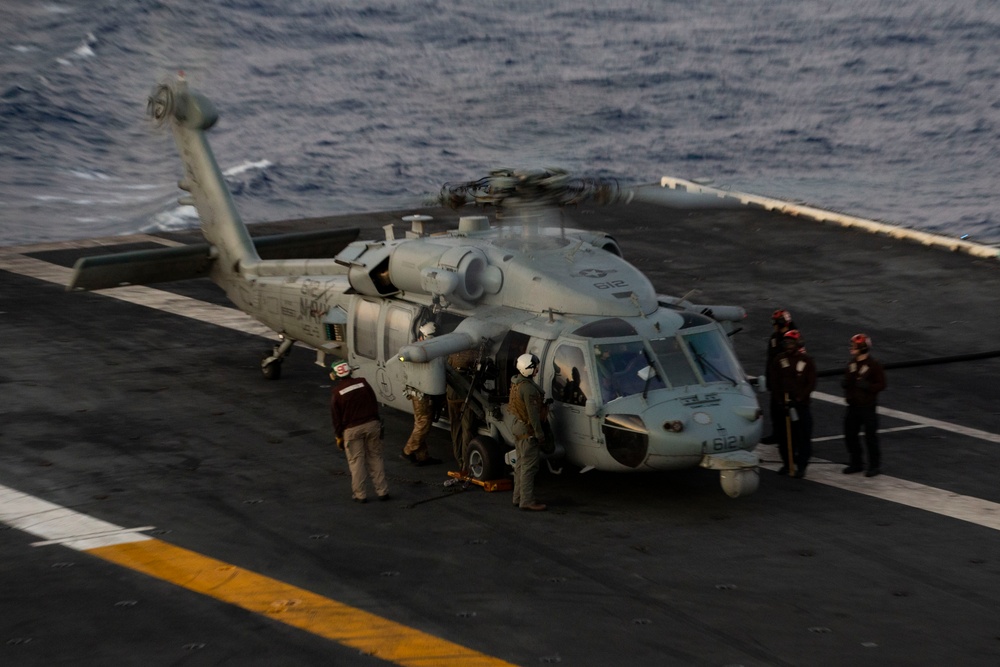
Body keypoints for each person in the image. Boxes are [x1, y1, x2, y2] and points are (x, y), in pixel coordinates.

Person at [329, 360, 389, 503]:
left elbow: (336, 418)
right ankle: (382, 491)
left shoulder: (337, 393)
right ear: (350, 371)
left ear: (335, 375)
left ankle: (360, 495)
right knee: (375, 457)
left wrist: (339, 436)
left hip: (352, 430)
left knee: (357, 463)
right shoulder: (363, 382)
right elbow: (374, 402)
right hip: (372, 425)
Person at [769, 329, 816, 478]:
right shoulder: (779, 360)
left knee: (803, 436)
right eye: (786, 342)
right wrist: (779, 401)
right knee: (784, 437)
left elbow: (811, 383)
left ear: (798, 343)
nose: (788, 345)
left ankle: (801, 466)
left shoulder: (807, 361)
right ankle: (787, 463)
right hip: (783, 406)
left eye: (791, 342)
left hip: (801, 406)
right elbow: (774, 382)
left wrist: (799, 398)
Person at [508, 353, 552, 511]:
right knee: (529, 466)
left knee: (520, 464)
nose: (537, 369)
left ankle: (518, 497)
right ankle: (526, 500)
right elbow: (533, 416)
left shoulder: (516, 383)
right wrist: (540, 434)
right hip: (527, 430)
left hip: (517, 427)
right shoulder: (529, 389)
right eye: (534, 367)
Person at [842, 333, 887, 477]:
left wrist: (868, 386)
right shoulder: (852, 363)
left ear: (862, 348)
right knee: (850, 435)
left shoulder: (874, 365)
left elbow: (881, 384)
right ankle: (856, 463)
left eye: (854, 346)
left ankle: (874, 466)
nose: (851, 348)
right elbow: (848, 380)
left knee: (870, 438)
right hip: (853, 406)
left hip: (867, 407)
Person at [402, 322, 442, 467]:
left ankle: (422, 456)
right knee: (423, 423)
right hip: (421, 394)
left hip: (419, 393)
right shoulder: (421, 352)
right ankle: (408, 450)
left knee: (420, 422)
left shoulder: (420, 350)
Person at [761, 309, 796, 445]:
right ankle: (777, 434)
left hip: (787, 383)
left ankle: (793, 438)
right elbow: (771, 360)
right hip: (776, 382)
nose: (774, 325)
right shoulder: (775, 338)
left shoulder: (792, 339)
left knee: (789, 412)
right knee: (775, 411)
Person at [446, 347, 480, 473]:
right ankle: (466, 463)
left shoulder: (451, 351)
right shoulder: (474, 352)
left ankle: (460, 461)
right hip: (466, 391)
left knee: (456, 428)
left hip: (452, 393)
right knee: (468, 428)